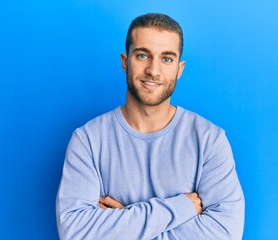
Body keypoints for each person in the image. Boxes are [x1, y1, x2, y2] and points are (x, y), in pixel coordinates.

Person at [56, 13, 244, 240]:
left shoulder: (209, 140)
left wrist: (123, 223)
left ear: (179, 68)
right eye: (143, 55)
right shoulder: (88, 140)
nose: (153, 71)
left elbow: (225, 233)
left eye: (166, 59)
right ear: (125, 61)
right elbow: (75, 232)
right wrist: (182, 207)